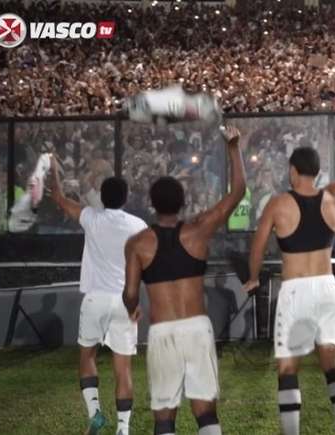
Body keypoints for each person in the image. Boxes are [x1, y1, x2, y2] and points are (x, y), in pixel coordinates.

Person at [122, 125, 245, 435]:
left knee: (164, 418)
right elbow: (238, 192)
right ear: (182, 203)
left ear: (152, 203)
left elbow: (130, 292)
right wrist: (233, 148)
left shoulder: (137, 244)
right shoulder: (198, 230)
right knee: (205, 414)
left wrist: (132, 308)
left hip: (163, 332)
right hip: (197, 329)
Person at [242, 127, 335, 435]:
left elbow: (257, 245)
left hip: (295, 291)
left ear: (293, 171)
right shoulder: (333, 195)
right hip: (326, 287)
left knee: (287, 368)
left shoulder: (278, 203)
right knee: (331, 361)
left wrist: (253, 278)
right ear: (317, 171)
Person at [49, 159, 147, 435]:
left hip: (95, 299)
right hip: (124, 302)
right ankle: (123, 430)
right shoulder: (138, 225)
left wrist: (53, 169)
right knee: (123, 367)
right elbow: (145, 263)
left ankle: (95, 415)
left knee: (87, 355)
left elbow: (58, 198)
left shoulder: (91, 217)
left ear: (102, 198)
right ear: (127, 198)